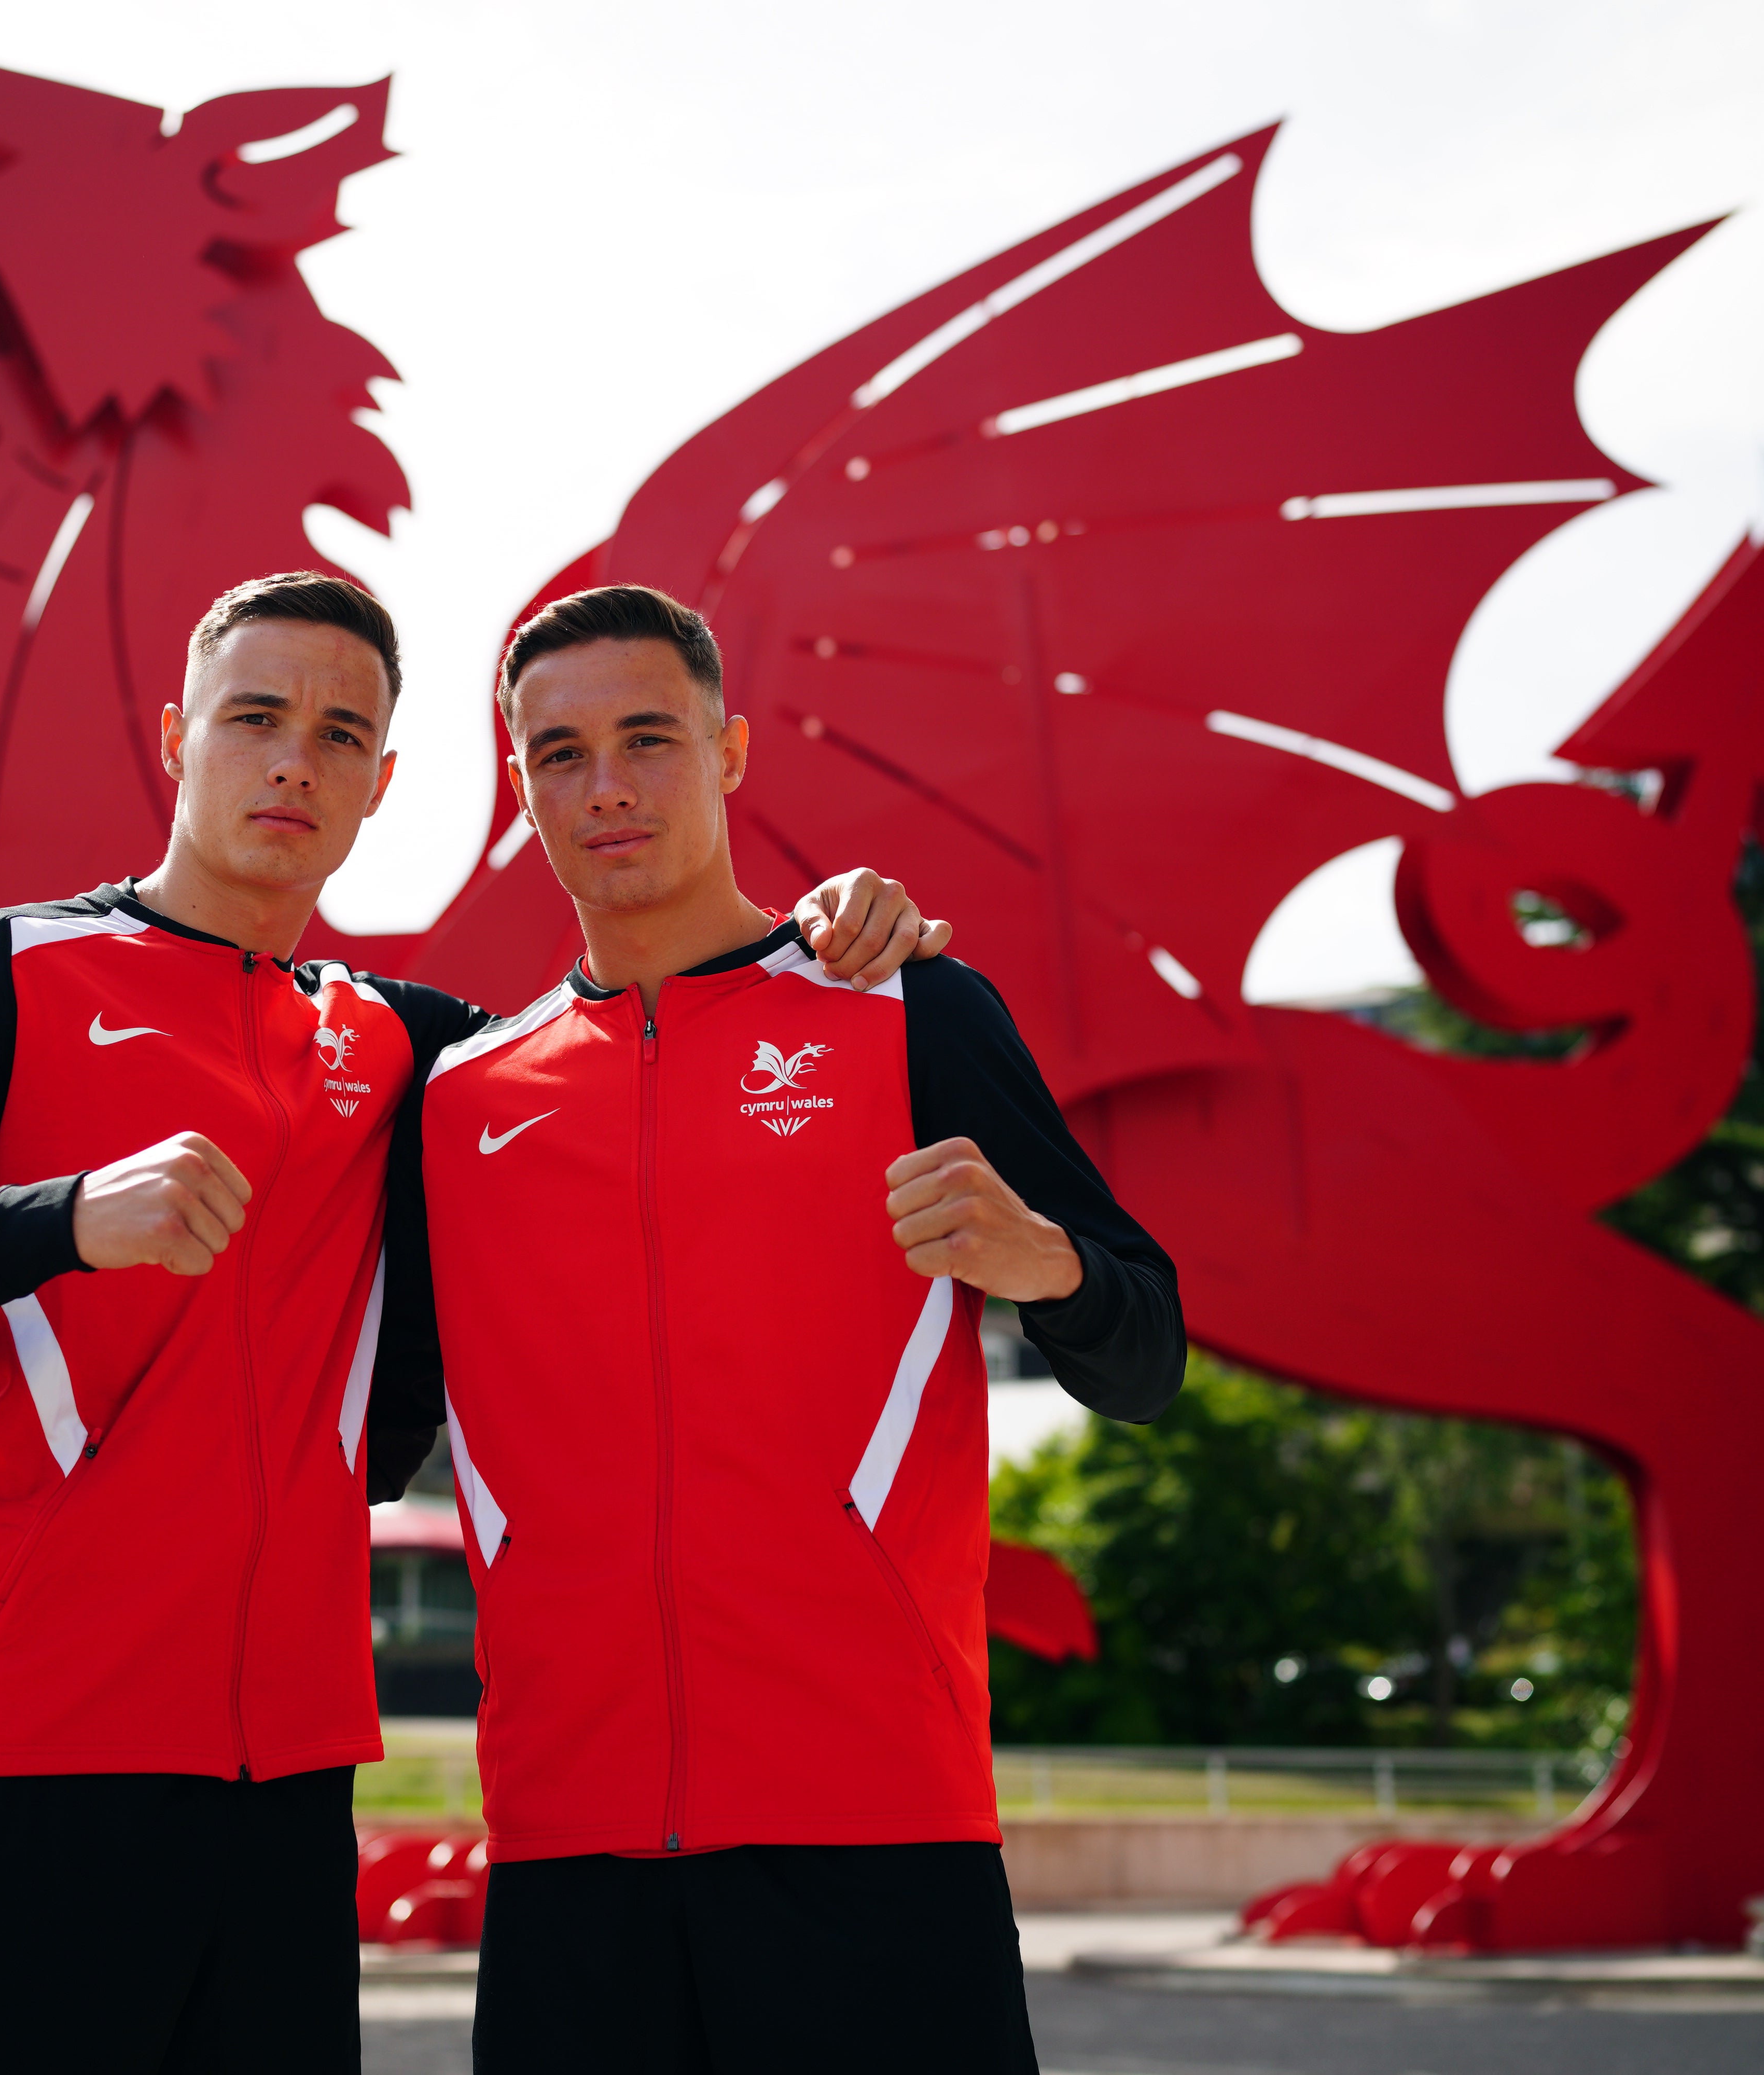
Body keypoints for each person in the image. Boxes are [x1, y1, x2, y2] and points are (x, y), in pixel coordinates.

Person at [0, 571, 947, 2073]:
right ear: (178, 738)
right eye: (255, 718)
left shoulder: (414, 1054)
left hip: (286, 1789)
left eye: (338, 731)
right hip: (20, 1750)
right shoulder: (3, 973)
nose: (293, 760)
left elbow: (645, 1032)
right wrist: (60, 1218)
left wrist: (828, 928)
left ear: (382, 782)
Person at [416, 586, 1185, 2072]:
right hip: (570, 1849)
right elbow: (360, 1417)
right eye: (560, 753)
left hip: (876, 1823)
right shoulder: (460, 1099)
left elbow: (1146, 1347)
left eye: (651, 738)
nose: (610, 787)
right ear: (519, 788)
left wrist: (1044, 1267)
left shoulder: (908, 1014)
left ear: (733, 750)